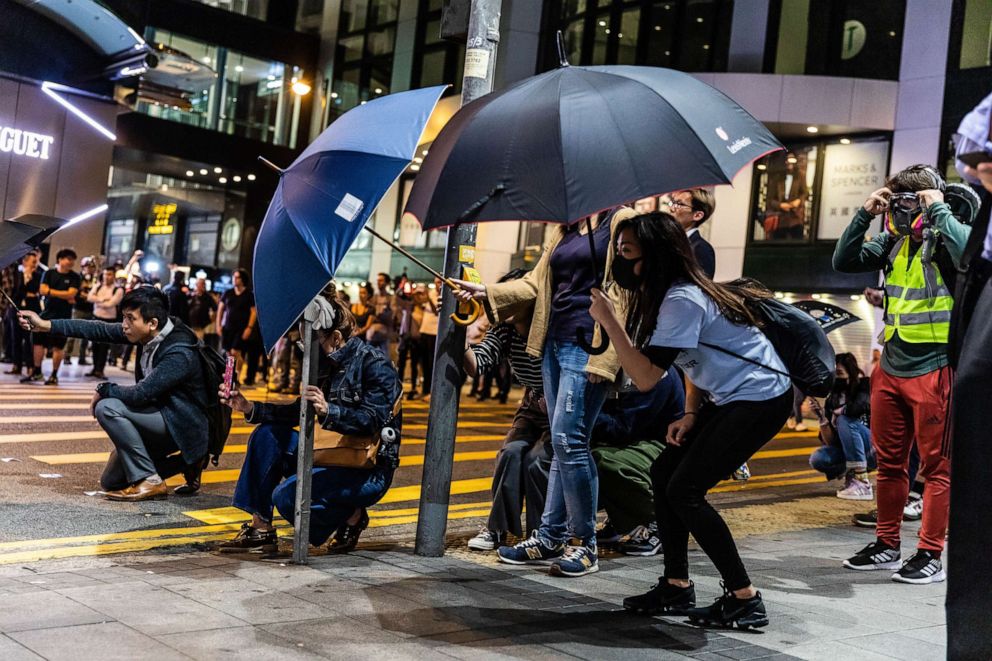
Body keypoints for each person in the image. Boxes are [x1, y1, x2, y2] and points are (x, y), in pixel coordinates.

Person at [589, 211, 792, 628]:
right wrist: (692, 411)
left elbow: (647, 377)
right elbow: (694, 357)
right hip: (733, 395)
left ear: (655, 256)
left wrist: (609, 321)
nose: (621, 261)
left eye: (628, 252)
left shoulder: (681, 298)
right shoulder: (671, 295)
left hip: (760, 397)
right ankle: (676, 585)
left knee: (685, 489)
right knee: (665, 471)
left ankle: (744, 598)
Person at [454, 207, 634, 578]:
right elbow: (535, 285)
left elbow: (628, 291)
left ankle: (584, 544)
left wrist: (609, 359)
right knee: (561, 441)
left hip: (590, 345)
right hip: (553, 341)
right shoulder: (565, 228)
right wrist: (485, 290)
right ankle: (550, 535)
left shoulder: (620, 221)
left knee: (570, 441)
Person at [833, 164, 969, 584]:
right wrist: (864, 214)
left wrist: (940, 211)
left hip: (935, 367)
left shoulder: (947, 240)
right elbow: (844, 261)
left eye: (911, 203)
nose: (903, 212)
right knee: (890, 466)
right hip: (891, 365)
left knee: (937, 469)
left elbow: (971, 255)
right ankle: (887, 545)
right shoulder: (892, 243)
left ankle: (930, 553)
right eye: (898, 204)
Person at [217, 286, 402, 553]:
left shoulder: (375, 364)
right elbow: (298, 412)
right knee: (266, 435)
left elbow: (373, 420)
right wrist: (248, 407)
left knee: (287, 497)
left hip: (365, 469)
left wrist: (329, 410)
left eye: (315, 343)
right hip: (326, 453)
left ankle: (352, 514)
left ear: (336, 337)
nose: (310, 352)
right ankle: (261, 528)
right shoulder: (324, 365)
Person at [19, 286, 211, 501]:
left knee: (107, 407)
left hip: (182, 424)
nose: (124, 325)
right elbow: (97, 329)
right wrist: (46, 325)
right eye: (124, 317)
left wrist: (104, 389)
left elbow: (140, 394)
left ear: (152, 323)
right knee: (112, 481)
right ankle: (188, 463)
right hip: (158, 415)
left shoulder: (179, 352)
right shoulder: (148, 329)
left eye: (130, 318)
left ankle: (151, 480)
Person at [464, 269, 552, 551]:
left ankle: (542, 533)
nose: (503, 306)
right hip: (532, 406)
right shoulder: (504, 330)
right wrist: (459, 333)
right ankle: (497, 529)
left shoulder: (552, 327)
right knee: (511, 453)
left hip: (562, 406)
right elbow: (477, 364)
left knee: (538, 461)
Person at [592, 368, 685, 557]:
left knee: (604, 461)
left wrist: (582, 413)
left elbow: (624, 428)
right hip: (639, 441)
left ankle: (658, 524)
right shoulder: (624, 369)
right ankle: (620, 520)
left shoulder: (655, 373)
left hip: (667, 447)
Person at [808, 353, 874, 499]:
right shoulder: (833, 398)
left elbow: (862, 405)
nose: (836, 378)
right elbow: (830, 442)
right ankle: (852, 475)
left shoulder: (864, 384)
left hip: (873, 448)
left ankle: (862, 481)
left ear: (851, 372)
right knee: (818, 458)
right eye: (834, 374)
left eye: (840, 373)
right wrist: (822, 418)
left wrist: (840, 412)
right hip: (850, 451)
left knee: (844, 419)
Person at [23, 248, 81, 385]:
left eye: (73, 259)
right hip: (46, 314)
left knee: (58, 346)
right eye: (68, 258)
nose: (71, 262)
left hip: (64, 316)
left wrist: (51, 291)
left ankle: (54, 375)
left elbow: (71, 294)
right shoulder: (49, 273)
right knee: (38, 342)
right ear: (60, 259)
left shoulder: (75, 277)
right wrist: (63, 294)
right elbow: (42, 290)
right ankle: (37, 371)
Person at [661, 189, 717, 278]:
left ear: (697, 215)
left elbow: (701, 288)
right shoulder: (667, 242)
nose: (671, 209)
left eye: (679, 204)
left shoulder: (701, 249)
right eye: (673, 203)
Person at [4, 251, 41, 376]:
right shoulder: (16, 274)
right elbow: (15, 292)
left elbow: (36, 290)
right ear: (25, 261)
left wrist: (29, 280)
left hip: (32, 310)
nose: (35, 264)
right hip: (17, 309)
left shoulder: (38, 275)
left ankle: (30, 366)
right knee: (16, 338)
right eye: (33, 262)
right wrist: (27, 291)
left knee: (29, 339)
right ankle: (16, 365)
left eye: (36, 262)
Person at [86, 266, 124, 380]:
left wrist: (97, 300)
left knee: (104, 346)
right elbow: (89, 297)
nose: (106, 277)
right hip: (95, 318)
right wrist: (103, 300)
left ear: (114, 276)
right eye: (105, 274)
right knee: (94, 345)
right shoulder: (98, 286)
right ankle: (94, 368)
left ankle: (100, 370)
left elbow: (111, 304)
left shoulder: (118, 289)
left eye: (109, 274)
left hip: (109, 320)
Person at [216, 268, 257, 373]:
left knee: (236, 352)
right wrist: (218, 325)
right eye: (234, 277)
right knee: (228, 353)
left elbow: (253, 312)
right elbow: (220, 310)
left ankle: (236, 376)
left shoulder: (249, 295)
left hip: (241, 329)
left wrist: (249, 327)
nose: (234, 279)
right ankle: (228, 378)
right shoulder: (227, 293)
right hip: (228, 327)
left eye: (237, 277)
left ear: (242, 279)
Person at [64, 255, 97, 366]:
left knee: (86, 336)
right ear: (83, 267)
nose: (90, 269)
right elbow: (75, 293)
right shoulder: (78, 278)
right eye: (88, 266)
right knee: (72, 333)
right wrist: (85, 295)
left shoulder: (96, 279)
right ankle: (67, 356)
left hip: (90, 309)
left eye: (92, 267)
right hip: (78, 308)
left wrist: (88, 296)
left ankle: (82, 358)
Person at [418, 279, 441, 401]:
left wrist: (428, 298)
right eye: (437, 282)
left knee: (432, 364)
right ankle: (425, 390)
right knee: (424, 363)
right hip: (424, 331)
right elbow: (419, 303)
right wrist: (415, 295)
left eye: (440, 282)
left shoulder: (445, 295)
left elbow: (436, 311)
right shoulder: (431, 293)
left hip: (435, 333)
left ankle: (432, 392)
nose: (439, 285)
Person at [367, 272, 394, 355]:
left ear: (387, 283)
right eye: (378, 280)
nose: (378, 282)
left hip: (384, 334)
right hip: (372, 333)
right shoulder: (373, 298)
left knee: (385, 359)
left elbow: (391, 317)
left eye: (381, 280)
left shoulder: (391, 298)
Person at [188, 277, 218, 348]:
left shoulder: (208, 297)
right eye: (197, 284)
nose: (197, 286)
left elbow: (215, 309)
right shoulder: (191, 295)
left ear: (203, 285)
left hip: (201, 327)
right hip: (190, 325)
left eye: (200, 284)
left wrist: (211, 319)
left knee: (198, 347)